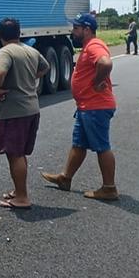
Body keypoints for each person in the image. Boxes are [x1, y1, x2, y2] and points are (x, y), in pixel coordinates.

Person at [42, 13, 119, 201]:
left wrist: (97, 81)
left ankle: (109, 188)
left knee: (102, 147)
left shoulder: (94, 45)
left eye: (76, 28)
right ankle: (65, 178)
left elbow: (105, 63)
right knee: (79, 144)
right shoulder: (88, 47)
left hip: (96, 106)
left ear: (86, 29)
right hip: (87, 106)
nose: (72, 32)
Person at [0, 18, 51, 210]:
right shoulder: (30, 50)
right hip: (32, 108)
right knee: (20, 153)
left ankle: (22, 197)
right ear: (19, 33)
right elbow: (45, 67)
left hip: (14, 111)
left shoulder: (5, 51)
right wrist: (29, 78)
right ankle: (18, 191)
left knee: (14, 154)